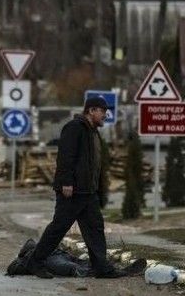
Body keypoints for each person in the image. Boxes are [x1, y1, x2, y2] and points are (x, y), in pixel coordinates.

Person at [21, 96, 121, 279]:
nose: (105, 116)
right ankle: (35, 262)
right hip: (73, 191)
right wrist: (67, 182)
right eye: (102, 112)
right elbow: (66, 157)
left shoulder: (92, 131)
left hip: (87, 192)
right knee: (59, 228)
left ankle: (101, 267)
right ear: (91, 110)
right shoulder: (75, 128)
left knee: (95, 228)